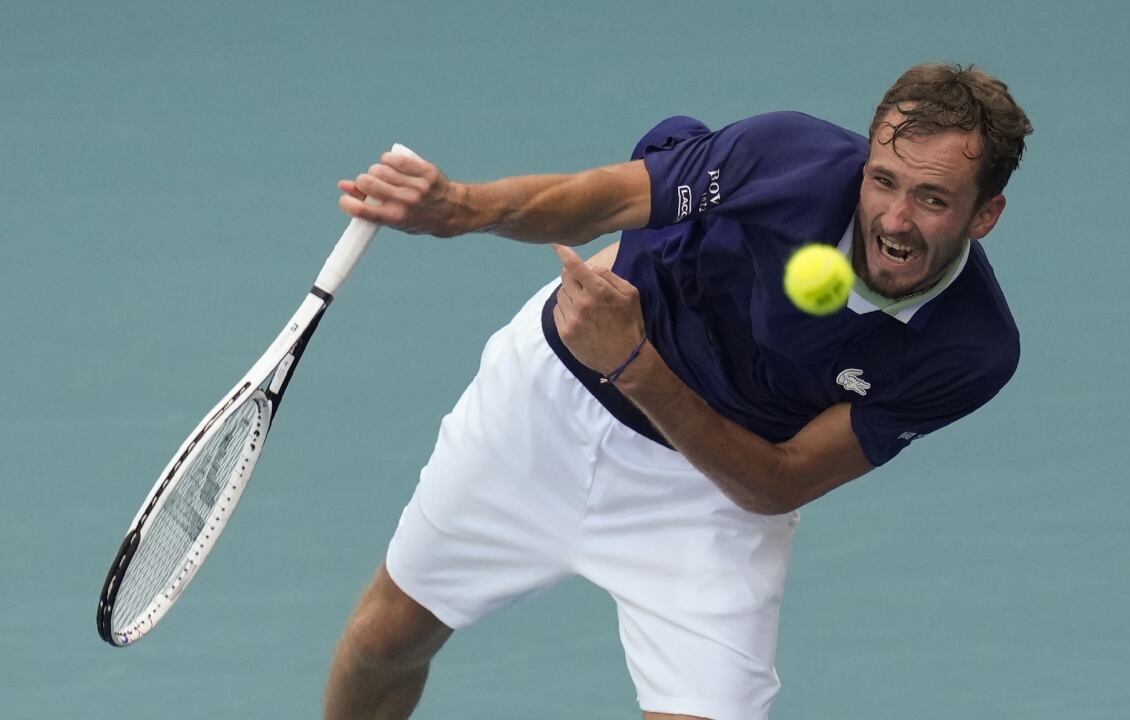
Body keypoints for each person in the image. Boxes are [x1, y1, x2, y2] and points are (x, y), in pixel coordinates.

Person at [323, 63, 1033, 720]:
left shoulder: (972, 349)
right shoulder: (787, 157)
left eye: (932, 198)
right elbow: (607, 195)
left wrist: (633, 362)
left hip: (712, 499)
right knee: (384, 638)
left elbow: (777, 484)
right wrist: (462, 207)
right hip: (546, 408)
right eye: (883, 181)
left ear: (985, 215)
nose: (894, 218)